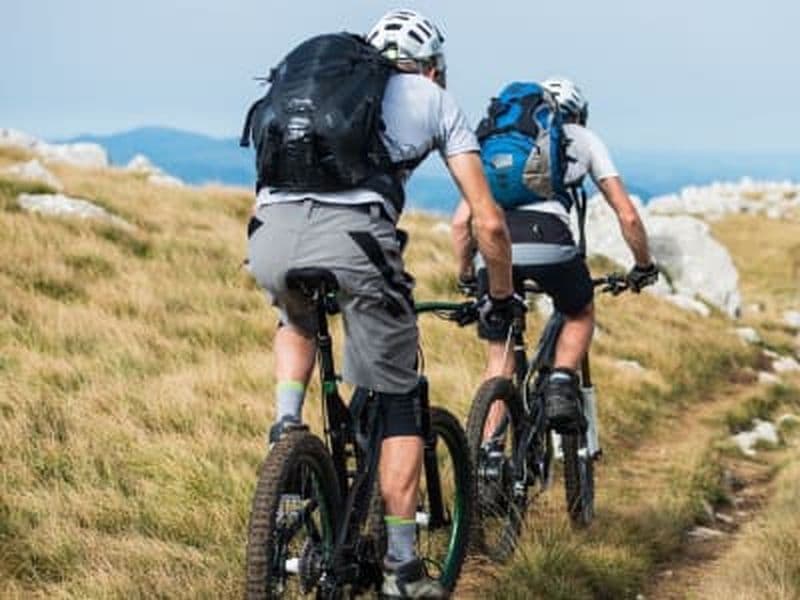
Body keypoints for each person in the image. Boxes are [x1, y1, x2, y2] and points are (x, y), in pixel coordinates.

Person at [246, 9, 513, 598]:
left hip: (268, 235)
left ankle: (287, 427)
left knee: (296, 313)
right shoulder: (432, 98)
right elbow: (487, 222)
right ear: (433, 66)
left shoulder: (311, 88)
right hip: (354, 242)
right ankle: (400, 568)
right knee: (398, 402)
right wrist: (499, 295)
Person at [452, 76, 658, 434]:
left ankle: (486, 460)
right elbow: (627, 214)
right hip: (551, 242)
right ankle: (562, 380)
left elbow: (460, 224)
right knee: (579, 310)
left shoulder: (496, 146)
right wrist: (643, 265)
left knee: (498, 361)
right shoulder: (582, 138)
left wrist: (467, 273)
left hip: (495, 249)